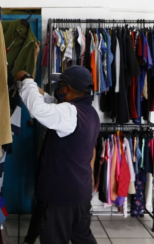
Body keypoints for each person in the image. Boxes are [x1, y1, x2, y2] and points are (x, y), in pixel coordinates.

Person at [15, 66, 100, 244]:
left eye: (60, 85)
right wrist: (37, 90)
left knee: (54, 239)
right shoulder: (91, 113)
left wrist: (27, 79)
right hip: (81, 192)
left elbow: (38, 109)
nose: (58, 89)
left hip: (61, 196)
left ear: (67, 89)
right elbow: (53, 104)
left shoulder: (69, 113)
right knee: (82, 236)